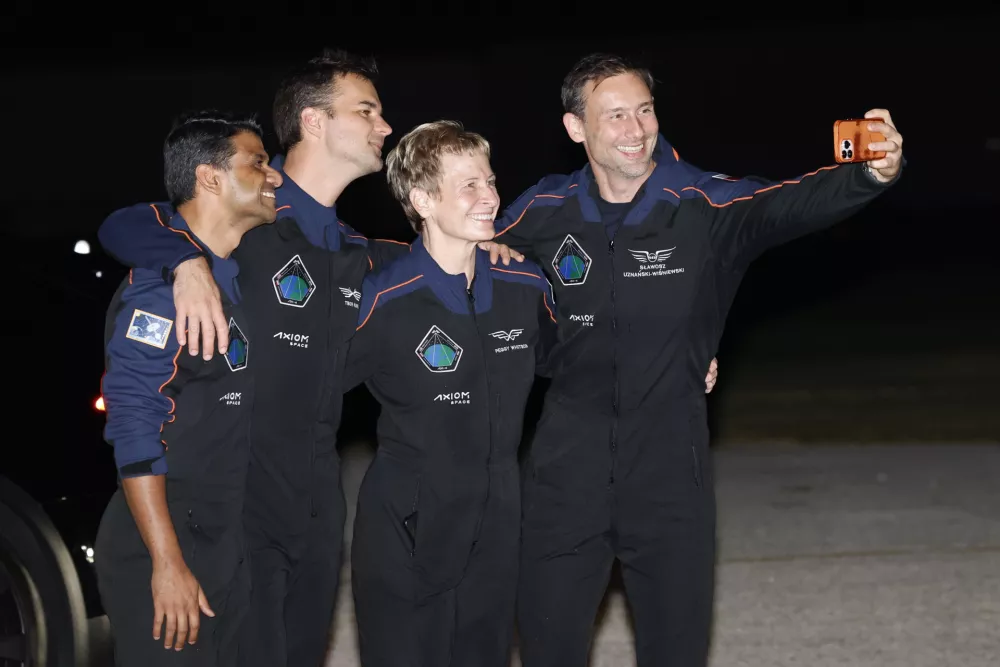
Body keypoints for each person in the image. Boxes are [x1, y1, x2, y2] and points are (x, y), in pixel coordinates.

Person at [95, 49, 522, 667]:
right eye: (366, 111)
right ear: (315, 121)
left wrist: (489, 246)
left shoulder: (357, 253)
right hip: (236, 509)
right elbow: (129, 222)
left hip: (317, 506)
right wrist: (183, 262)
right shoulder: (248, 217)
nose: (384, 126)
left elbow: (436, 260)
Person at [490, 53, 905, 666]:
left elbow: (789, 202)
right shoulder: (543, 208)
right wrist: (491, 257)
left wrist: (871, 174)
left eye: (644, 111)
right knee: (547, 648)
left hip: (669, 470)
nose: (636, 129)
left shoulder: (703, 204)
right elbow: (465, 255)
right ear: (576, 128)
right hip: (563, 469)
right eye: (615, 116)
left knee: (676, 650)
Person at [341, 119, 556, 666]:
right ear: (423, 200)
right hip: (407, 521)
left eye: (490, 181)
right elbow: (303, 393)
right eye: (469, 186)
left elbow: (579, 361)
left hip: (498, 518)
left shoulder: (525, 285)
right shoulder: (384, 299)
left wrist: (687, 363)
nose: (490, 197)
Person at [95, 110, 282, 666]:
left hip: (221, 538)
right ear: (210, 178)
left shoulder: (228, 277)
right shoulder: (160, 295)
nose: (273, 176)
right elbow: (133, 426)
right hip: (166, 544)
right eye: (258, 162)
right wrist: (167, 564)